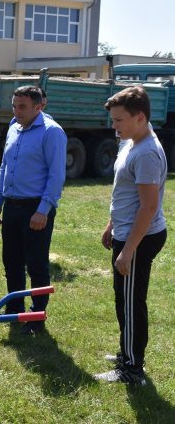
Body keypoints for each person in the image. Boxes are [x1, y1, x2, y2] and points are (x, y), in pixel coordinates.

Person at [94, 86, 167, 385]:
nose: (114, 126)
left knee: (132, 302)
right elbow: (125, 193)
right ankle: (127, 353)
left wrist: (128, 250)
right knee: (123, 299)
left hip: (140, 237)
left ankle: (132, 369)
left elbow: (149, 207)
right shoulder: (131, 142)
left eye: (119, 120)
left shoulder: (148, 151)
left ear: (139, 117)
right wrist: (112, 224)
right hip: (126, 233)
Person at [0, 86, 66, 334]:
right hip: (12, 205)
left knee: (36, 264)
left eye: (22, 106)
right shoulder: (14, 127)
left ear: (39, 106)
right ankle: (14, 310)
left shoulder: (52, 132)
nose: (16, 111)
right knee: (11, 261)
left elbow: (56, 176)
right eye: (14, 105)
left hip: (36, 208)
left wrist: (43, 210)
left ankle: (37, 316)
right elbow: (4, 167)